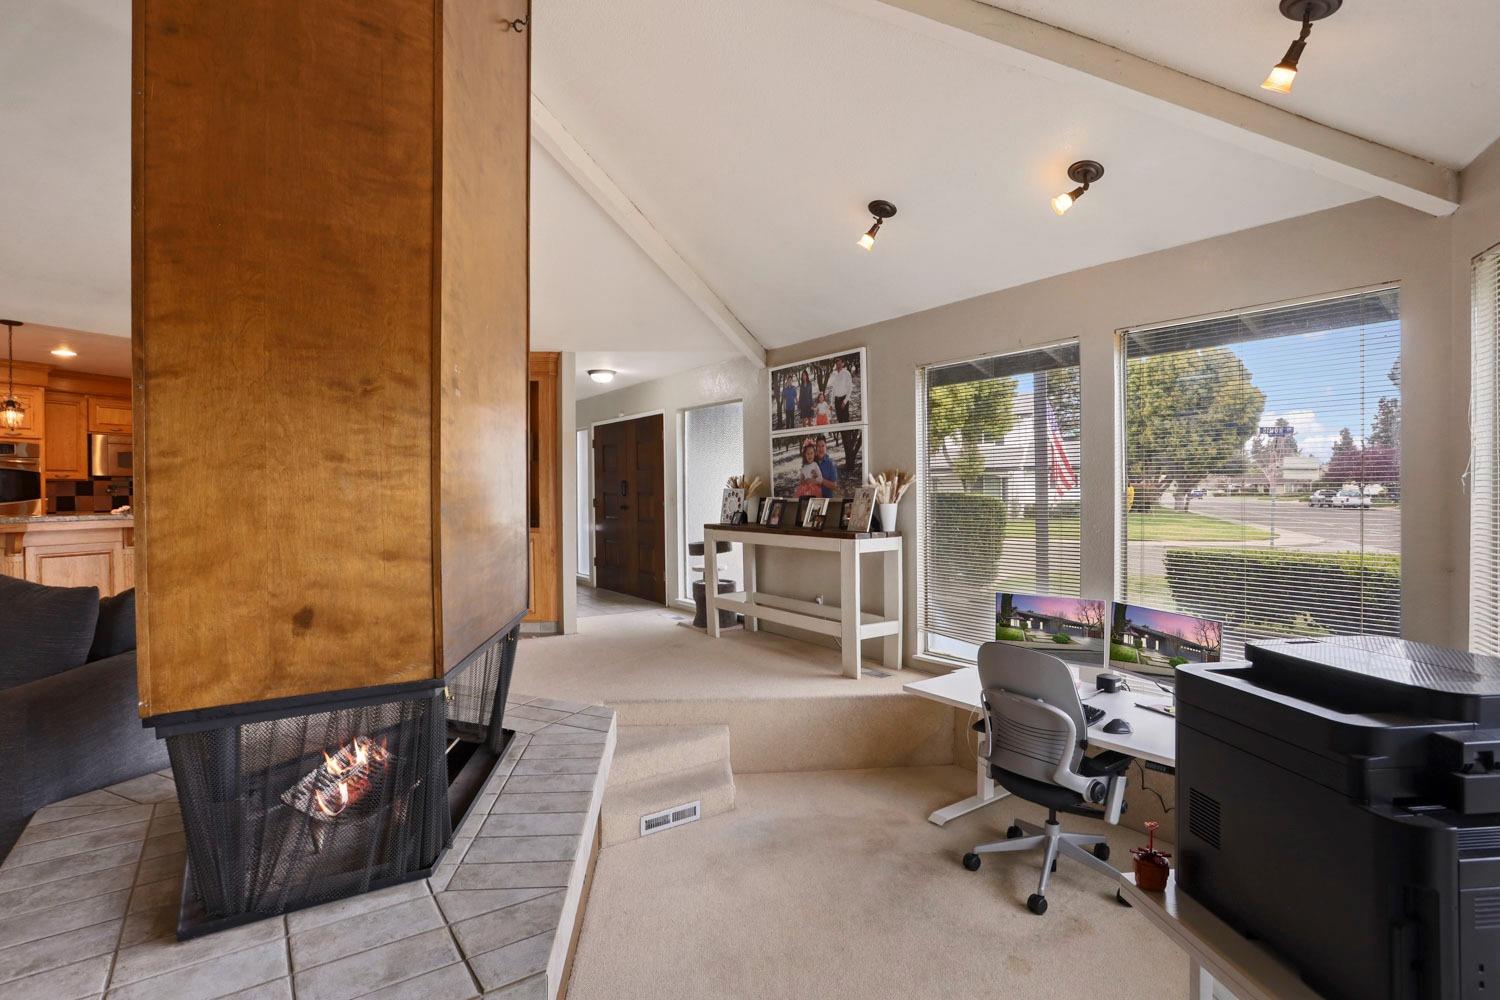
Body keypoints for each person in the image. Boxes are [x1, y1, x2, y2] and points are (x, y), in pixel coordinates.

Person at [827, 358, 855, 425]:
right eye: (837, 364)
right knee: (840, 421)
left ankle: (847, 435)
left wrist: (845, 401)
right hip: (837, 401)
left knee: (845, 421)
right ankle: (843, 435)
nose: (838, 366)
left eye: (839, 364)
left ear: (842, 364)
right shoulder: (834, 374)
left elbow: (850, 388)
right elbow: (833, 389)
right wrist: (831, 403)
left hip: (844, 399)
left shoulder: (846, 373)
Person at [814, 434, 839, 498]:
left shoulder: (831, 463)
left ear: (826, 447)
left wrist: (822, 480)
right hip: (813, 500)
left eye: (823, 446)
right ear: (816, 448)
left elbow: (834, 486)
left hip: (827, 501)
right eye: (818, 446)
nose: (821, 449)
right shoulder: (812, 462)